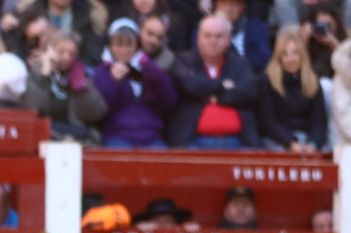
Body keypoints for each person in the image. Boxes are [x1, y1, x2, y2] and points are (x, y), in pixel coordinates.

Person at [168, 14, 260, 146]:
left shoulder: (240, 64)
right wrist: (221, 85)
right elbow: (188, 85)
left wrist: (212, 97)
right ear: (198, 38)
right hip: (193, 140)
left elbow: (249, 91)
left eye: (219, 36)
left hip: (237, 140)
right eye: (207, 35)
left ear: (228, 40)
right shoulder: (183, 61)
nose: (213, 41)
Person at [94, 17, 178, 144]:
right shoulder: (102, 71)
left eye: (129, 44)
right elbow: (99, 110)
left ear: (137, 46)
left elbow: (169, 103)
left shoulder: (149, 68)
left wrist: (152, 72)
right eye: (119, 44)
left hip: (151, 133)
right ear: (109, 46)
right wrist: (113, 81)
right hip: (118, 134)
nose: (124, 50)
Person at [22, 30, 108, 141]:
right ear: (51, 49)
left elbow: (98, 111)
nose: (67, 57)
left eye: (72, 53)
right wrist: (45, 73)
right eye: (61, 51)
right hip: (43, 132)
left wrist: (81, 87)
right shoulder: (38, 70)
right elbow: (33, 107)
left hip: (71, 133)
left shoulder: (79, 73)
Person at [258, 25, 328, 148]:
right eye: (285, 54)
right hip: (278, 139)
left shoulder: (312, 81)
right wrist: (290, 142)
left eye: (295, 53)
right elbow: (267, 122)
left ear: (302, 56)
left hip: (307, 138)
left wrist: (312, 144)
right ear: (279, 58)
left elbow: (319, 122)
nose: (291, 59)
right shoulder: (266, 81)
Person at [6, 0, 110, 66]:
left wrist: (68, 63)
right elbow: (15, 47)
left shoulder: (88, 14)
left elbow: (92, 56)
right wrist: (29, 62)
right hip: (35, 73)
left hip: (74, 77)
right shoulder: (29, 11)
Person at [214, 0, 272, 71]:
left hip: (248, 77)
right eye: (224, 4)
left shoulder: (258, 28)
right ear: (216, 5)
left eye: (234, 5)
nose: (228, 9)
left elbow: (262, 61)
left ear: (242, 7)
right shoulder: (205, 29)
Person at [300, 4, 342, 76]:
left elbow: (348, 69)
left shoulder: (346, 42)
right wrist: (302, 40)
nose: (324, 29)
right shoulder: (306, 40)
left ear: (336, 24)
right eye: (320, 25)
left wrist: (335, 44)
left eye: (328, 25)